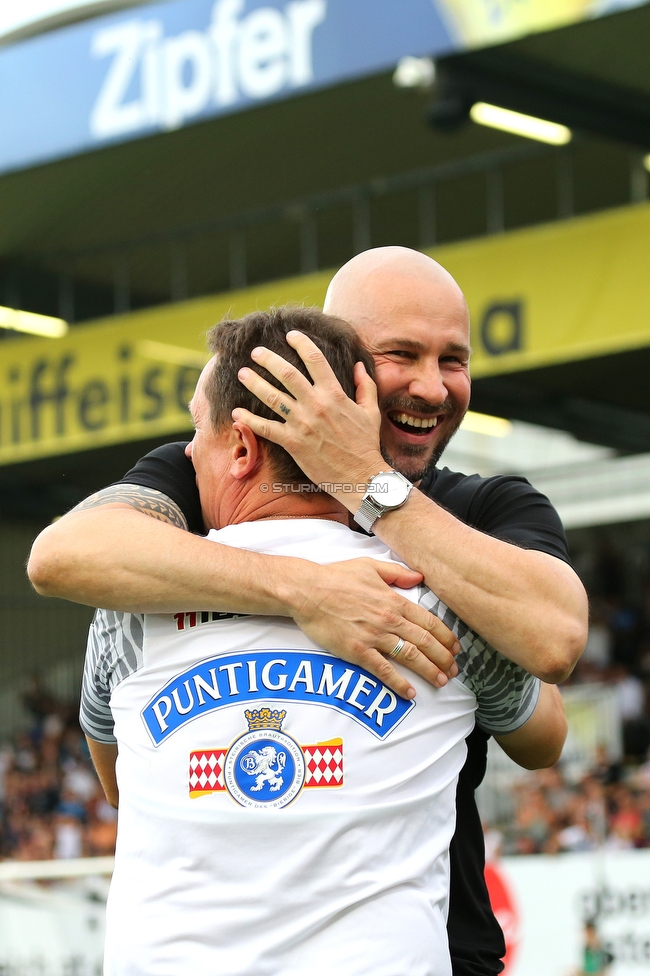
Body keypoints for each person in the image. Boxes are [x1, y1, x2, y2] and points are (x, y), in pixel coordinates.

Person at [28, 247, 587, 975]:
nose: (432, 384)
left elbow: (554, 640)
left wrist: (365, 481)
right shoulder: (202, 468)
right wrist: (308, 590)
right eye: (401, 354)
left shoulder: (486, 508)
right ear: (336, 362)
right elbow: (61, 557)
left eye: (454, 359)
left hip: (445, 940)